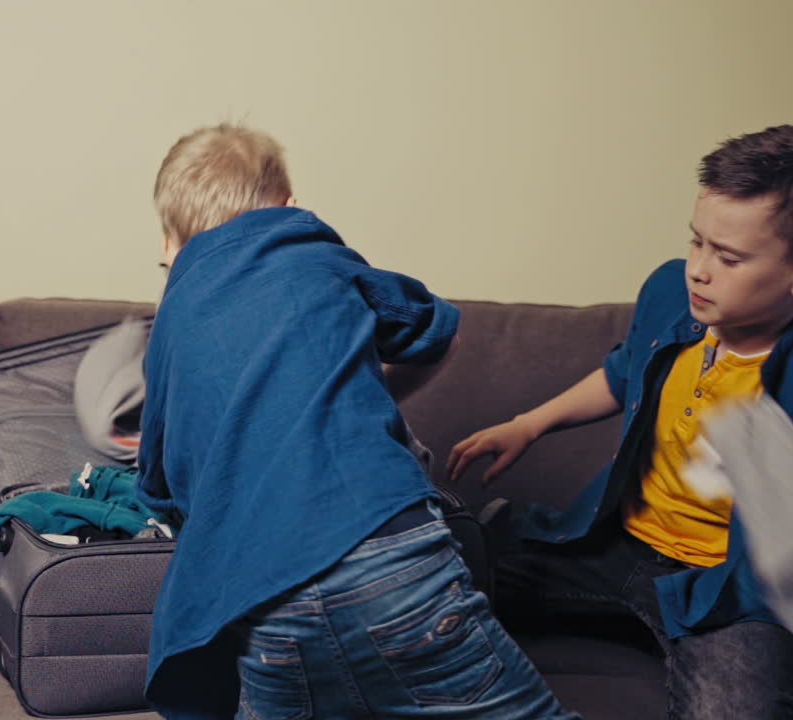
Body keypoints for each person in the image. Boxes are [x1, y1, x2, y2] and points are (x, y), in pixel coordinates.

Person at [136, 123, 578, 719]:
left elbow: (158, 481)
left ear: (172, 244)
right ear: (290, 207)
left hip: (264, 607)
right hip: (394, 567)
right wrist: (366, 384)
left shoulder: (170, 322)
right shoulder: (317, 257)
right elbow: (434, 328)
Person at [447, 124, 793, 719]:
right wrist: (528, 425)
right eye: (697, 242)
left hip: (726, 592)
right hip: (616, 546)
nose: (699, 270)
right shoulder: (670, 295)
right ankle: (498, 538)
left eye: (729, 257)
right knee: (431, 589)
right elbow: (622, 372)